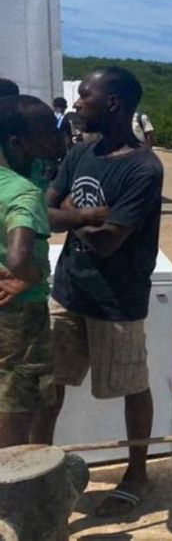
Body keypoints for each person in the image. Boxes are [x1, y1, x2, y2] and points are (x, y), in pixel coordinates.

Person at [40, 67, 163, 517]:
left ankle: (137, 473)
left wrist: (70, 212)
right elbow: (44, 209)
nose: (76, 103)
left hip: (117, 300)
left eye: (85, 95)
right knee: (47, 385)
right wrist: (86, 216)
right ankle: (39, 471)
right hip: (69, 289)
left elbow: (110, 241)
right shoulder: (80, 153)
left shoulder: (144, 167)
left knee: (133, 386)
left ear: (113, 103)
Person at [0, 95, 65, 448]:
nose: (56, 138)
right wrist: (32, 273)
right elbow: (18, 255)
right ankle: (13, 472)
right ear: (17, 142)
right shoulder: (23, 192)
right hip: (20, 312)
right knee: (17, 395)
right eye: (46, 131)